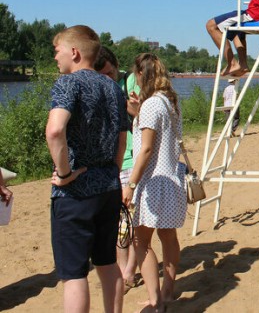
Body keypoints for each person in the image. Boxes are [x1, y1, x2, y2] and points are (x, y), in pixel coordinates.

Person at [46, 25, 128, 313]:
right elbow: (121, 140)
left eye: (57, 51)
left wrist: (65, 174)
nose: (55, 58)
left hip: (75, 193)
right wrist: (111, 173)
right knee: (108, 263)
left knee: (74, 274)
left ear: (75, 52)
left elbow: (55, 131)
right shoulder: (113, 87)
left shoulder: (68, 84)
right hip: (109, 187)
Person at [123, 53, 188, 312]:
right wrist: (137, 112)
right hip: (172, 179)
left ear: (141, 75)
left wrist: (130, 184)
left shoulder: (151, 105)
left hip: (154, 182)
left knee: (141, 241)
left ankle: (155, 300)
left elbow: (146, 149)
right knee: (168, 237)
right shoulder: (170, 102)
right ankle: (168, 292)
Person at [94, 46, 141, 292]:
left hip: (132, 160)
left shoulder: (131, 81)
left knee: (130, 219)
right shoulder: (94, 87)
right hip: (109, 162)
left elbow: (143, 116)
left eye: (110, 74)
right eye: (102, 76)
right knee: (118, 221)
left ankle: (129, 272)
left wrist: (121, 101)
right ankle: (125, 271)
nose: (108, 80)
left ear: (116, 67)